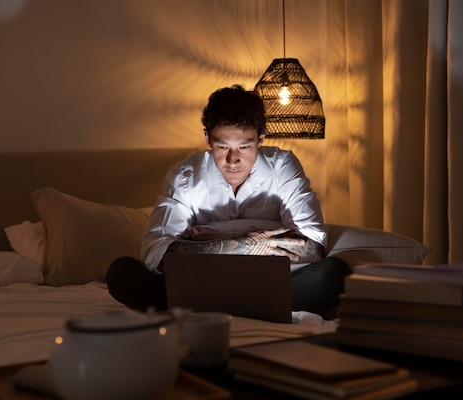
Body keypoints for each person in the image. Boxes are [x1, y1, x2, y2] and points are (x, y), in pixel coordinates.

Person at [106, 85, 349, 319]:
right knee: (121, 272)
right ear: (207, 138)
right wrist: (245, 244)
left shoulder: (283, 166)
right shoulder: (186, 175)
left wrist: (209, 241)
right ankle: (250, 305)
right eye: (222, 146)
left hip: (267, 282)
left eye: (244, 146)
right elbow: (155, 252)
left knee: (334, 274)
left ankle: (208, 305)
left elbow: (315, 246)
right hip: (202, 281)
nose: (233, 160)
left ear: (261, 139)